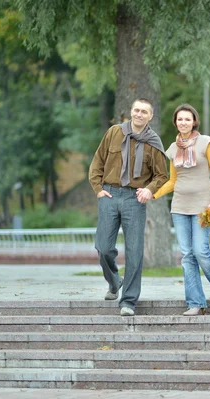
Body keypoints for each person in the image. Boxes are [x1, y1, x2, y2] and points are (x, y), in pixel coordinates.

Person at [88, 98, 169, 317]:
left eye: (144, 111)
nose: (139, 114)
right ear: (131, 112)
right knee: (103, 247)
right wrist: (98, 189)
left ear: (150, 116)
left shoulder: (153, 142)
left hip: (135, 198)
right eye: (136, 110)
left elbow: (162, 175)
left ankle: (129, 301)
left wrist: (149, 190)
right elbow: (97, 162)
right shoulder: (114, 133)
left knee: (134, 251)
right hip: (110, 194)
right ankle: (114, 281)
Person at [149, 104, 210, 316]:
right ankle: (195, 302)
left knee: (200, 250)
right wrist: (153, 194)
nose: (183, 122)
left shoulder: (206, 142)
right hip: (179, 207)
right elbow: (173, 181)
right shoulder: (173, 148)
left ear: (194, 121)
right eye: (179, 119)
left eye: (187, 119)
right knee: (186, 255)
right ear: (175, 122)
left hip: (204, 207)